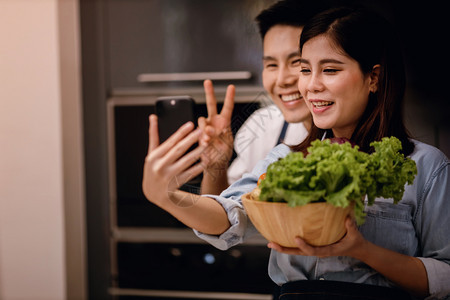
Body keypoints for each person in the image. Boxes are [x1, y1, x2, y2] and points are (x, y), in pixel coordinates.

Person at [142, 6, 450, 300]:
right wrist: (169, 197)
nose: (310, 86)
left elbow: (444, 278)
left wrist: (361, 249)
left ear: (374, 78)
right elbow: (230, 216)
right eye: (306, 69)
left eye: (329, 69)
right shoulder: (285, 159)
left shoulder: (428, 167)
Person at [199, 0, 342, 195]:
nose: (282, 80)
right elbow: (227, 213)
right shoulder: (261, 127)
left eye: (297, 62)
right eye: (271, 65)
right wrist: (215, 167)